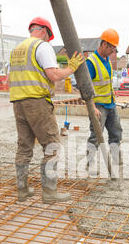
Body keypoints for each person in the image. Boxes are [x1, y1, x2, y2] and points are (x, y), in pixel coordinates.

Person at [9, 16, 83, 203]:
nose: (48, 40)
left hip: (18, 103)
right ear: (44, 31)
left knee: (24, 147)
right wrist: (71, 68)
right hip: (37, 102)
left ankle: (22, 191)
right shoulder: (41, 47)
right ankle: (49, 193)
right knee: (52, 146)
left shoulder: (17, 49)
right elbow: (54, 74)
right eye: (49, 37)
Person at [86, 28, 123, 173]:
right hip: (98, 106)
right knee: (96, 135)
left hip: (110, 104)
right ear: (104, 44)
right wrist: (92, 107)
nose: (113, 51)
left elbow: (105, 82)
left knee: (116, 132)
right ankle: (90, 164)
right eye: (112, 48)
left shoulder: (107, 60)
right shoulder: (91, 62)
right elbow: (85, 88)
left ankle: (116, 160)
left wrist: (113, 94)